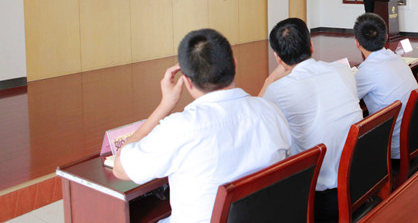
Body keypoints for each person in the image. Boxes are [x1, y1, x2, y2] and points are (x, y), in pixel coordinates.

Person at [114, 29, 291, 223]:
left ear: (187, 81)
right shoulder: (271, 112)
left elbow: (120, 169)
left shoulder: (179, 129)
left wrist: (166, 104)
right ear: (234, 64)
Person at [259, 18, 363, 221]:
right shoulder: (342, 71)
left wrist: (269, 79)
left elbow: (256, 118)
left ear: (278, 57)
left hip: (319, 198)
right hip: (359, 178)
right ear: (311, 45)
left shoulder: (277, 91)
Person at [353, 13, 417, 160]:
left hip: (391, 148)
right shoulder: (397, 58)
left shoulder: (367, 70)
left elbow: (347, 98)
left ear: (357, 42)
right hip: (413, 138)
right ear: (386, 36)